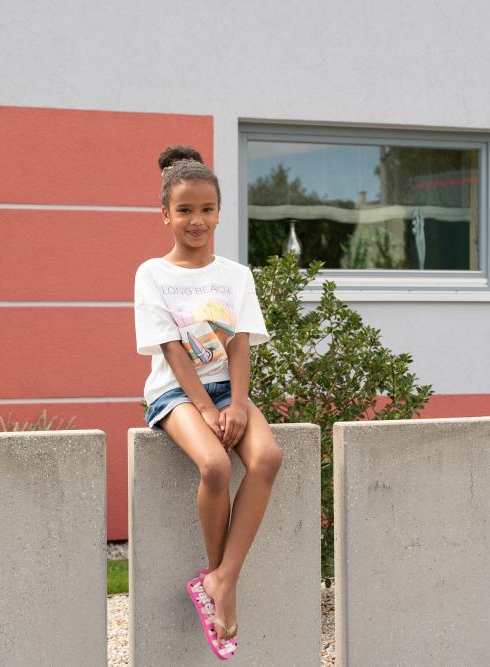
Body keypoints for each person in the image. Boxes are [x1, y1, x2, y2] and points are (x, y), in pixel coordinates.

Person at [133, 145, 283, 660]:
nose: (196, 220)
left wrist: (237, 404)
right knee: (215, 465)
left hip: (227, 390)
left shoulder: (236, 275)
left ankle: (221, 579)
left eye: (206, 209)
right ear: (165, 214)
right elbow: (172, 350)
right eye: (184, 210)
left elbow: (239, 343)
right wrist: (204, 408)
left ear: (219, 212)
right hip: (176, 395)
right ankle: (223, 585)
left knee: (267, 458)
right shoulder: (152, 273)